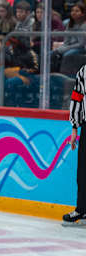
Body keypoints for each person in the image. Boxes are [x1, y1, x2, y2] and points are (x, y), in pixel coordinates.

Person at [63, 64, 86, 226]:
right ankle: (82, 209)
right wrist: (74, 127)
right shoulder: (84, 71)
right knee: (83, 171)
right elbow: (77, 97)